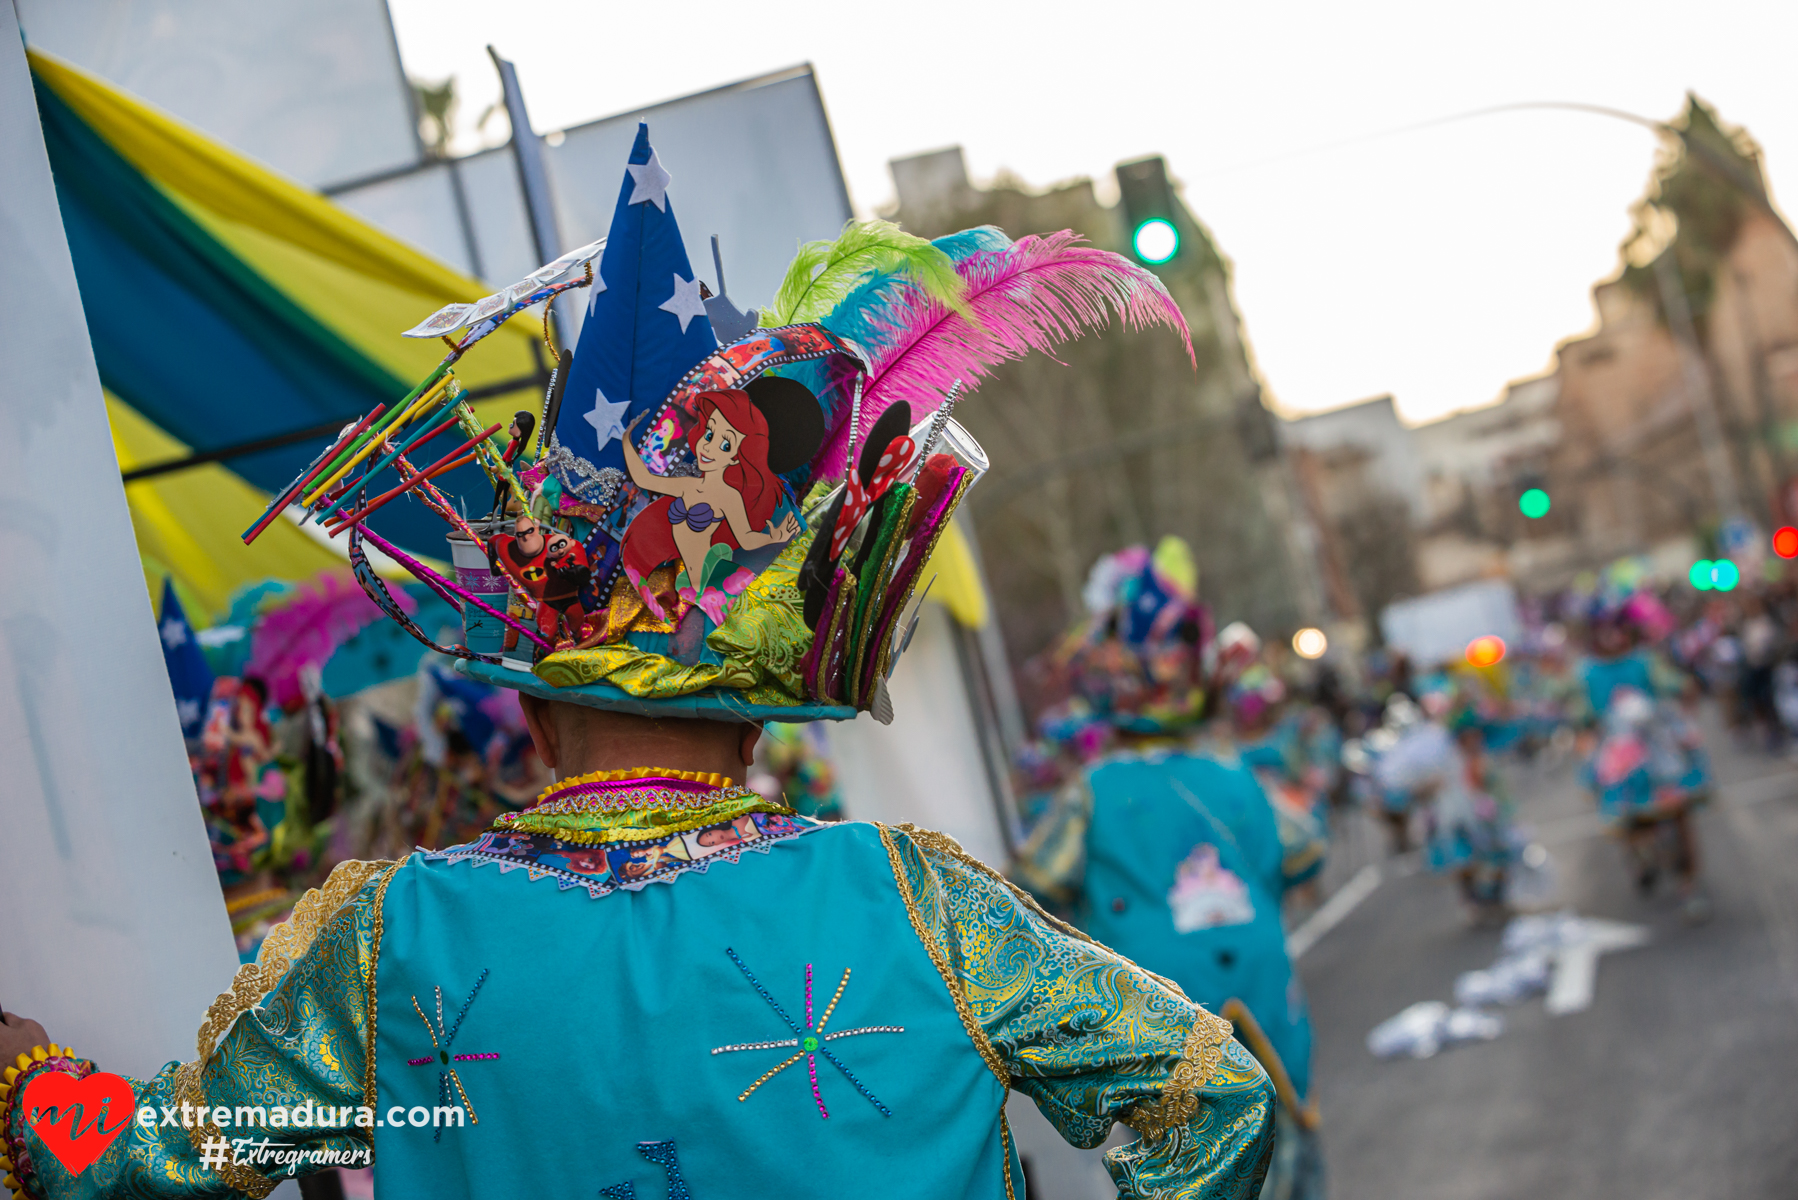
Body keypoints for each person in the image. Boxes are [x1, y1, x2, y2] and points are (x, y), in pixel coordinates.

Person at [2, 128, 1268, 1200]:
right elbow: (1214, 1103)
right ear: (758, 723)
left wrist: (23, 1080)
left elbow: (143, 1163)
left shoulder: (385, 945)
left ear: (534, 714)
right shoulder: (909, 903)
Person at [1014, 541, 1323, 1200]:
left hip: (1158, 1016)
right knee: (1286, 1152)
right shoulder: (1237, 776)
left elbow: (1034, 880)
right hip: (1265, 993)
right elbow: (1304, 849)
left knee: (1189, 1169)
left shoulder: (1092, 791)